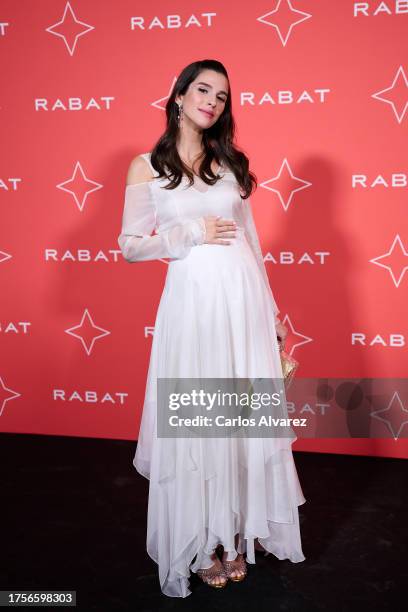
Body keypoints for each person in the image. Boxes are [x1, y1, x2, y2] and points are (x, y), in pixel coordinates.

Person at [118, 59, 306, 598]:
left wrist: (271, 314)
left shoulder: (230, 163)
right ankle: (201, 544)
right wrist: (189, 233)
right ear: (178, 95)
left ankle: (233, 539)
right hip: (193, 309)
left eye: (222, 96)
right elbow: (131, 247)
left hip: (242, 304)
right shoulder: (146, 166)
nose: (212, 102)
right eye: (203, 90)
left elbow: (251, 244)